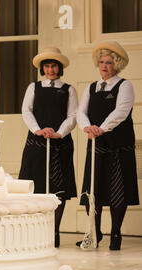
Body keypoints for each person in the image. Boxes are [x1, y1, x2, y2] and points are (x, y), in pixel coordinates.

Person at [76, 41, 138, 250]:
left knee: (117, 191)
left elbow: (121, 112)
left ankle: (116, 234)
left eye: (109, 63)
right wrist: (87, 128)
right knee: (93, 190)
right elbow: (80, 112)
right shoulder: (91, 87)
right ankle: (95, 233)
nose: (104, 66)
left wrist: (101, 128)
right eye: (101, 62)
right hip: (96, 145)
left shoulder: (125, 86)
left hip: (118, 146)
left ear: (116, 65)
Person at [18, 47, 78, 247]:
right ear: (42, 68)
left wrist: (59, 132)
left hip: (60, 143)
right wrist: (38, 130)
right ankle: (35, 230)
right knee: (35, 185)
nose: (50, 69)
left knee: (59, 188)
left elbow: (72, 116)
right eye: (47, 66)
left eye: (54, 66)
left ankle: (54, 231)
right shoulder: (33, 87)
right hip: (37, 142)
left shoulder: (68, 89)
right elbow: (26, 111)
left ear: (59, 68)